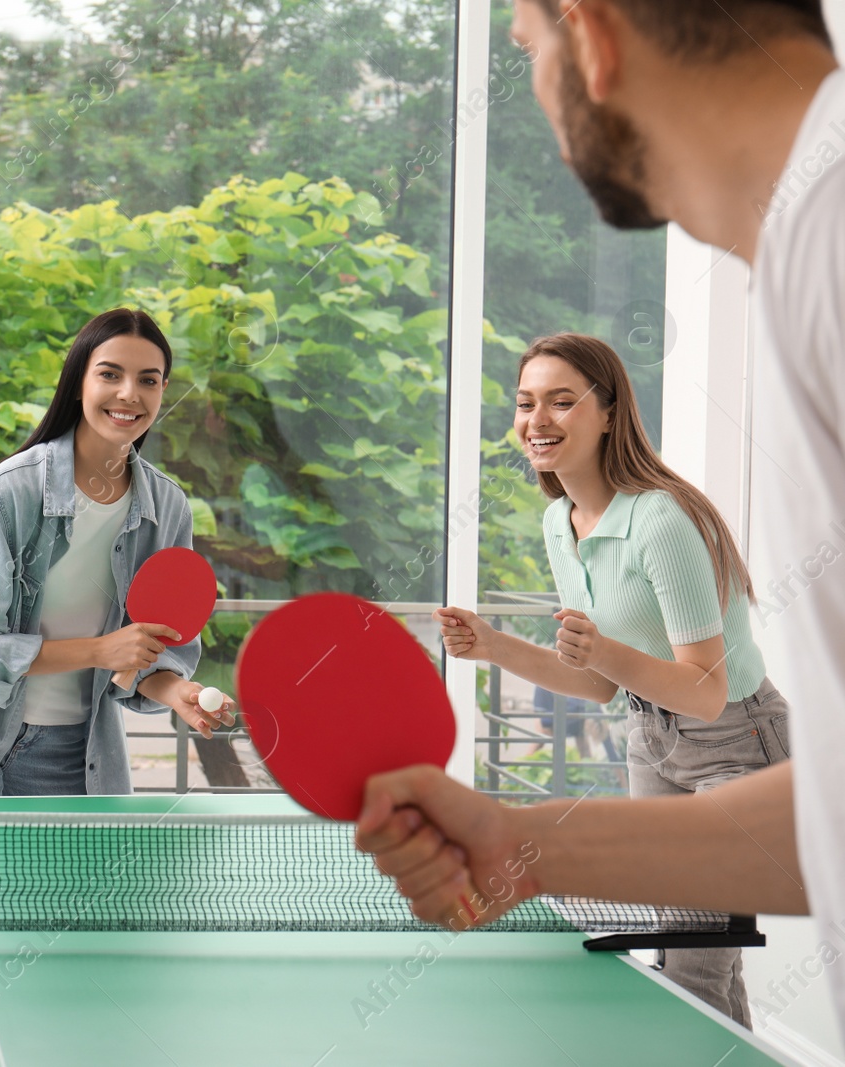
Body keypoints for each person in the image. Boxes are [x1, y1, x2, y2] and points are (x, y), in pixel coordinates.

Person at [354, 0, 845, 1038]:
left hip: (712, 728)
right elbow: (830, 816)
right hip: (668, 738)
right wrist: (520, 843)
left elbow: (711, 694)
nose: (534, 92)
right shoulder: (805, 239)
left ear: (593, 34)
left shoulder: (832, 232)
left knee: (701, 976)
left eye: (530, 49)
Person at [435, 332, 789, 1023]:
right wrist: (494, 645)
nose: (538, 419)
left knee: (692, 963)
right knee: (694, 956)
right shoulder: (558, 522)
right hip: (649, 737)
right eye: (526, 402)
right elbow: (600, 684)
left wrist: (604, 653)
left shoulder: (661, 519)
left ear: (608, 411)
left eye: (562, 401)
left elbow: (704, 687)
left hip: (736, 743)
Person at [0, 308, 234, 797]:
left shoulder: (169, 508)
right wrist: (98, 651)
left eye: (148, 380)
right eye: (110, 374)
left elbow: (147, 657)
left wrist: (179, 692)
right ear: (79, 383)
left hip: (79, 754)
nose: (128, 394)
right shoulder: (12, 491)